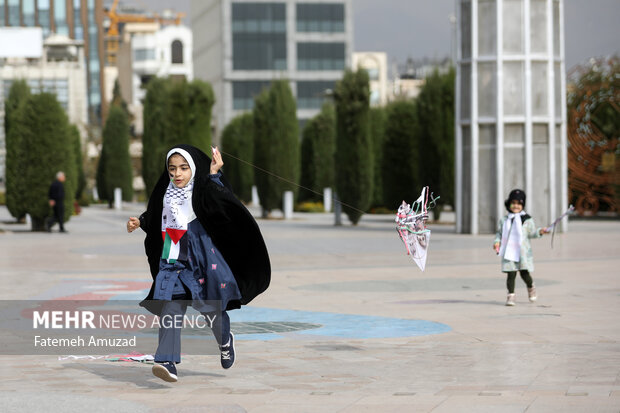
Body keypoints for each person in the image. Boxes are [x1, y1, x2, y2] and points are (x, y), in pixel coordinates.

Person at [127, 144, 270, 383]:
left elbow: (222, 203)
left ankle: (225, 339)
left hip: (202, 258)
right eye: (172, 169)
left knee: (212, 310)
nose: (177, 174)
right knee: (170, 306)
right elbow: (155, 215)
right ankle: (167, 361)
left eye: (183, 168)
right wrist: (140, 221)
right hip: (172, 256)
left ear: (193, 168)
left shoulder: (203, 191)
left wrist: (214, 173)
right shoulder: (166, 192)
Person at [493, 189, 547, 306]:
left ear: (523, 205)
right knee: (511, 274)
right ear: (509, 204)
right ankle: (511, 296)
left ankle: (531, 287)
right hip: (509, 253)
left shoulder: (527, 220)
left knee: (524, 274)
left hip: (523, 253)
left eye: (519, 203)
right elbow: (499, 234)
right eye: (513, 203)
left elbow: (532, 233)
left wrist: (540, 232)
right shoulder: (505, 220)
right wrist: (497, 242)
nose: (516, 206)